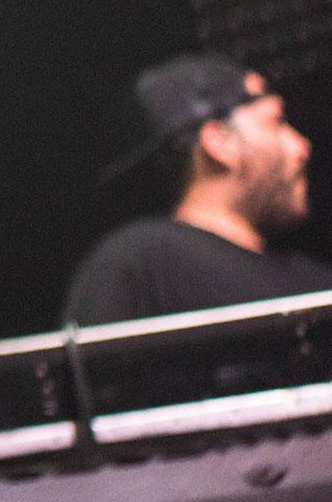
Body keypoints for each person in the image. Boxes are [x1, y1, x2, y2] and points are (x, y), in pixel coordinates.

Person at [63, 53, 331, 326]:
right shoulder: (141, 264)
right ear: (220, 142)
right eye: (277, 123)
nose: (301, 147)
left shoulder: (315, 282)